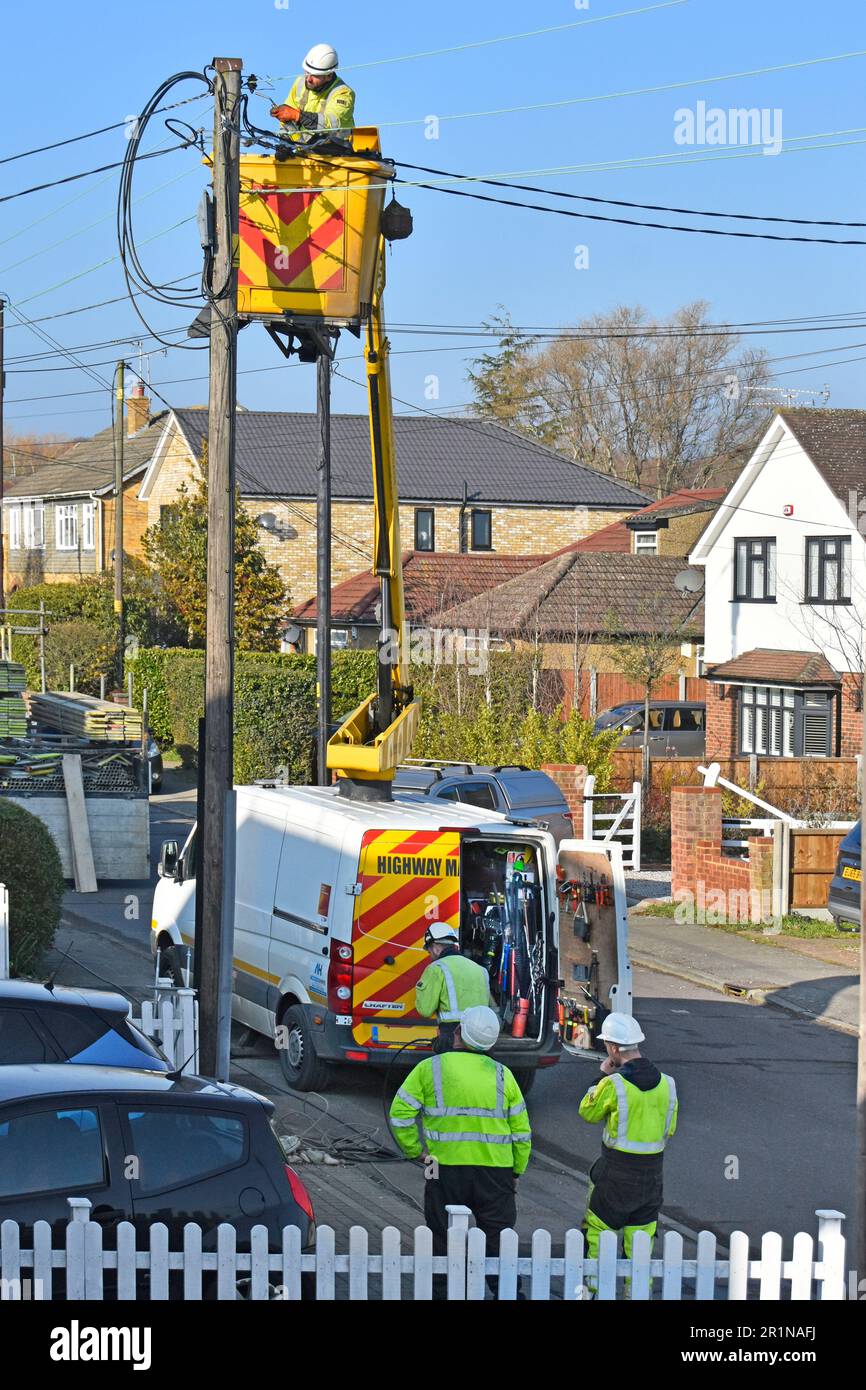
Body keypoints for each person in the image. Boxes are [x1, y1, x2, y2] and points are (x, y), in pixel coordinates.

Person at [389, 1005, 531, 1299]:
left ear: (457, 1032)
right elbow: (521, 1133)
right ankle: (507, 1294)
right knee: (498, 1240)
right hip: (496, 1172)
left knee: (443, 1239)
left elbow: (400, 1114)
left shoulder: (430, 1068)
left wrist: (416, 1152)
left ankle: (445, 1294)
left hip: (444, 1169)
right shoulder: (504, 1075)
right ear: (491, 1043)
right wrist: (516, 1171)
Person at [578, 1012, 678, 1293]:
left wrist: (602, 1076)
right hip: (651, 1180)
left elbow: (587, 1111)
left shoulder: (614, 1084)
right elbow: (668, 1129)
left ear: (612, 1048)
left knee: (599, 1240)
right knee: (640, 1250)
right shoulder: (668, 1085)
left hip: (614, 1177)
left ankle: (596, 1295)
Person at [415, 922, 494, 1053]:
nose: (429, 954)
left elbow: (425, 1010)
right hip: (479, 1035)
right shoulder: (480, 970)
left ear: (435, 947)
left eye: (428, 950)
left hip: (452, 1037)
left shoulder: (436, 968)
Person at [270, 44, 356, 142]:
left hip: (338, 153)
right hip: (306, 152)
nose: (308, 79)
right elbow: (287, 117)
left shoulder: (343, 93)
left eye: (315, 75)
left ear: (329, 75)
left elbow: (331, 125)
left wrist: (298, 116)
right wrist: (284, 142)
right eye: (307, 72)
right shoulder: (300, 83)